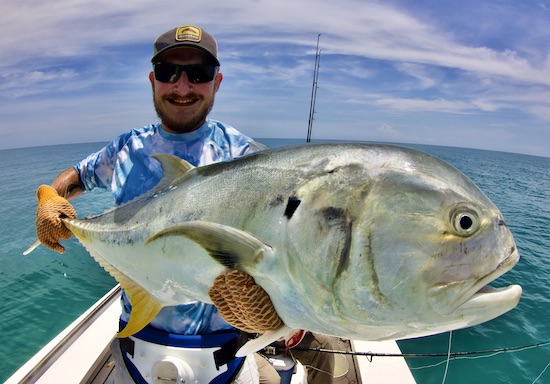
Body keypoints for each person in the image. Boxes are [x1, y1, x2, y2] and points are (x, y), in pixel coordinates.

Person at [34, 24, 335, 383]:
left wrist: (278, 314)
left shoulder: (248, 158)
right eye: (168, 72)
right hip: (135, 353)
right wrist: (50, 196)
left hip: (227, 358)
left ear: (217, 82)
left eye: (199, 73)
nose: (182, 85)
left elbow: (285, 250)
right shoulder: (127, 148)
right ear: (152, 80)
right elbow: (77, 178)